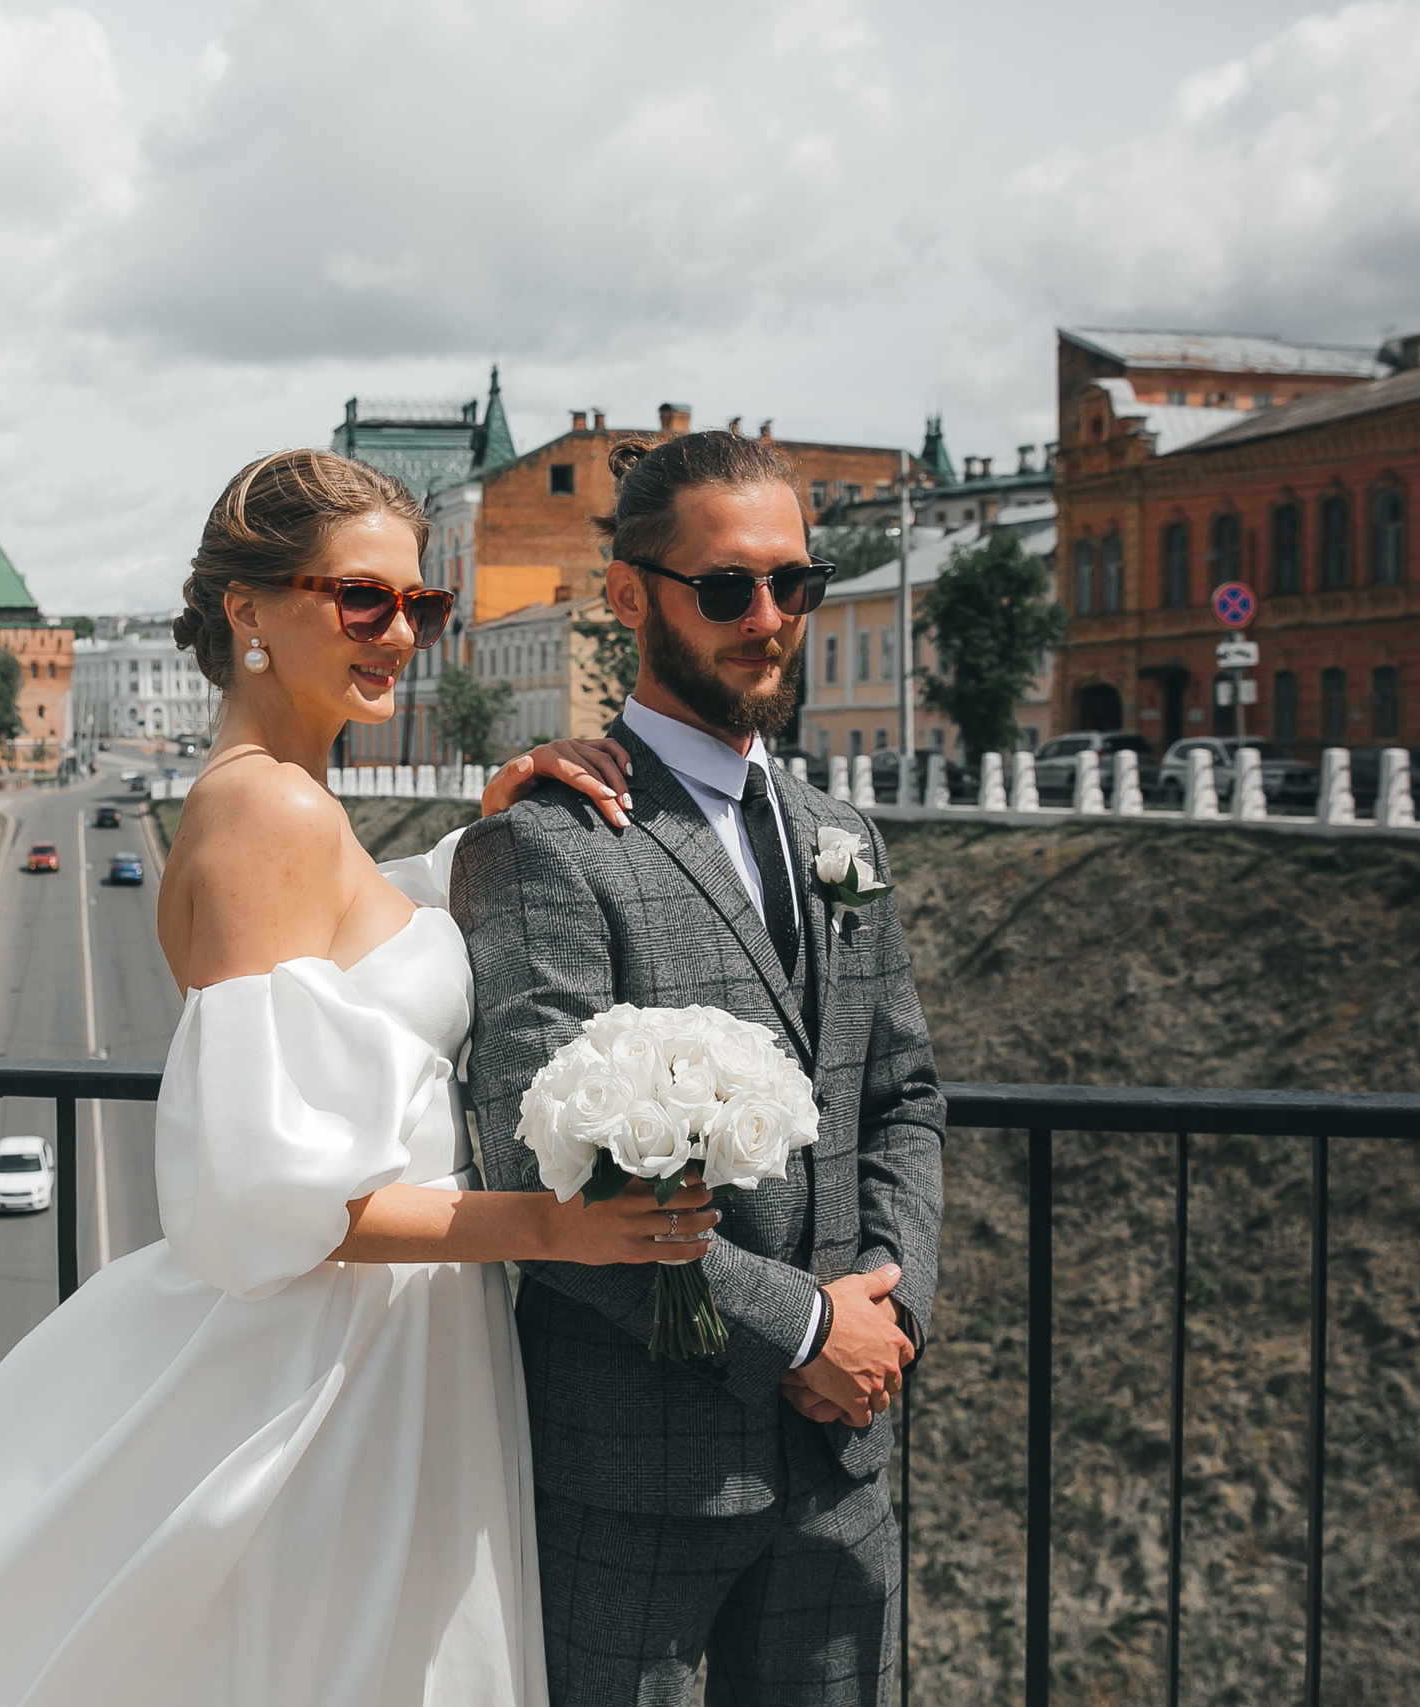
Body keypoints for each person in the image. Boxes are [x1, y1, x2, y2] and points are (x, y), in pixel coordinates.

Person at [0, 448, 690, 1707]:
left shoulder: (273, 802)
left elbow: (361, 952)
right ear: (246, 609)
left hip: (382, 1340)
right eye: (360, 600)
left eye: (420, 607)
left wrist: (487, 830)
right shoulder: (274, 813)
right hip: (335, 1366)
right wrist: (555, 1228)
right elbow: (271, 1200)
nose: (402, 636)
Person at [453, 431, 946, 1707]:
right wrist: (800, 1330)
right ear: (630, 597)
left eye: (798, 584)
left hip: (844, 1461)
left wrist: (888, 1312)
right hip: (638, 1475)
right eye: (726, 587)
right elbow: (535, 1164)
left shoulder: (842, 836)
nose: (769, 618)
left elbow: (902, 1096)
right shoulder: (551, 844)